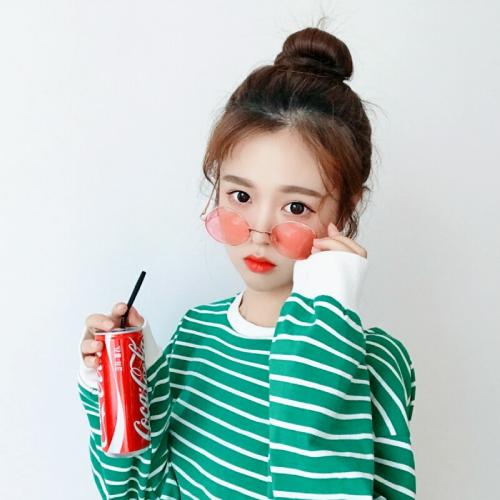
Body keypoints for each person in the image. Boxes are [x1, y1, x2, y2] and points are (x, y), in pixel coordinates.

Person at [78, 24, 416, 500]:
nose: (259, 232)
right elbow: (138, 491)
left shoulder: (375, 362)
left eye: (296, 207)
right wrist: (123, 379)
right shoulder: (197, 333)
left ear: (344, 210)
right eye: (240, 196)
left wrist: (327, 322)